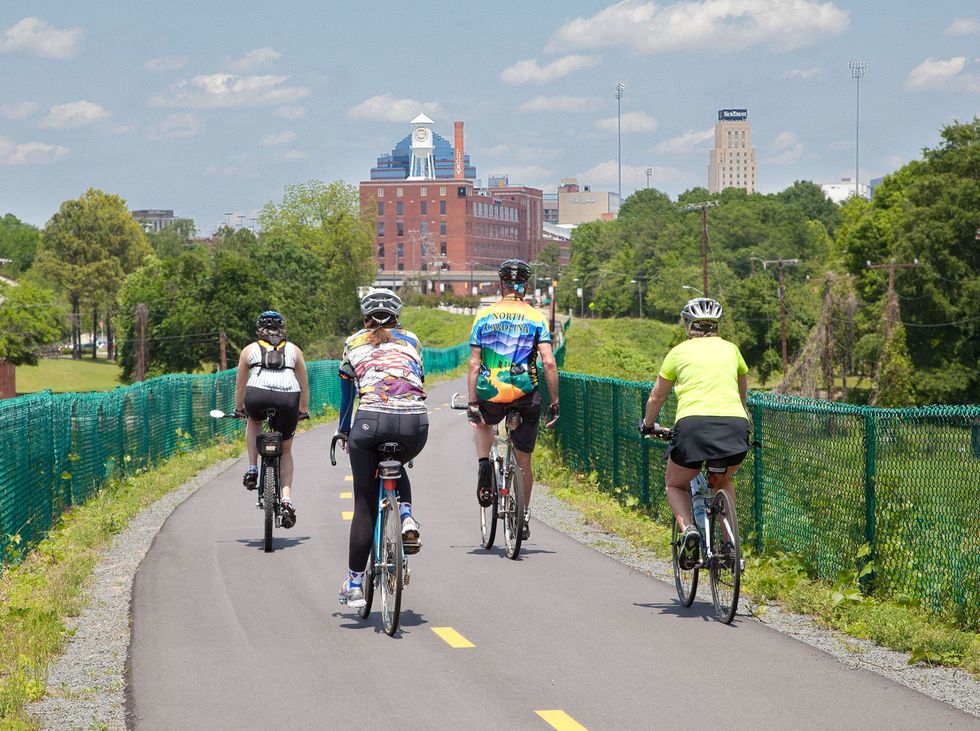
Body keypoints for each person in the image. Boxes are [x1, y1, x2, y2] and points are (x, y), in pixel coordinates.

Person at [638, 297, 749, 569]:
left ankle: (689, 530)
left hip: (693, 428)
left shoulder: (678, 352)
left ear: (688, 325)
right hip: (735, 426)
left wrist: (648, 424)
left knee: (675, 483)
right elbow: (742, 394)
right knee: (723, 482)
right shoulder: (732, 350)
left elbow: (656, 397)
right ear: (716, 325)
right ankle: (730, 545)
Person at [336, 289, 428, 608]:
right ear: (398, 316)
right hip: (415, 424)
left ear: (365, 317)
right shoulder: (413, 340)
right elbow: (419, 379)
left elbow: (348, 397)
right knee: (397, 464)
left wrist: (343, 431)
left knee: (364, 503)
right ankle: (406, 516)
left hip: (370, 421)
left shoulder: (353, 343)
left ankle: (354, 583)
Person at [467, 259, 559, 541]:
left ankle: (484, 464)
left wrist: (472, 403)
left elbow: (473, 364)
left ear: (501, 284)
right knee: (524, 461)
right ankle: (523, 514)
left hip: (490, 392)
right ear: (525, 286)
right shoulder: (535, 318)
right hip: (524, 393)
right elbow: (548, 362)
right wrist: (554, 401)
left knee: (481, 421)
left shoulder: (484, 317)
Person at [234, 310, 309, 528]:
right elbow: (304, 384)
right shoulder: (294, 350)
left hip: (257, 395)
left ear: (259, 329)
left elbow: (240, 385)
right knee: (285, 450)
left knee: (253, 421)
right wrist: (302, 410)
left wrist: (240, 408)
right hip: (288, 399)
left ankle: (252, 468)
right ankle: (286, 500)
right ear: (282, 329)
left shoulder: (249, 350)